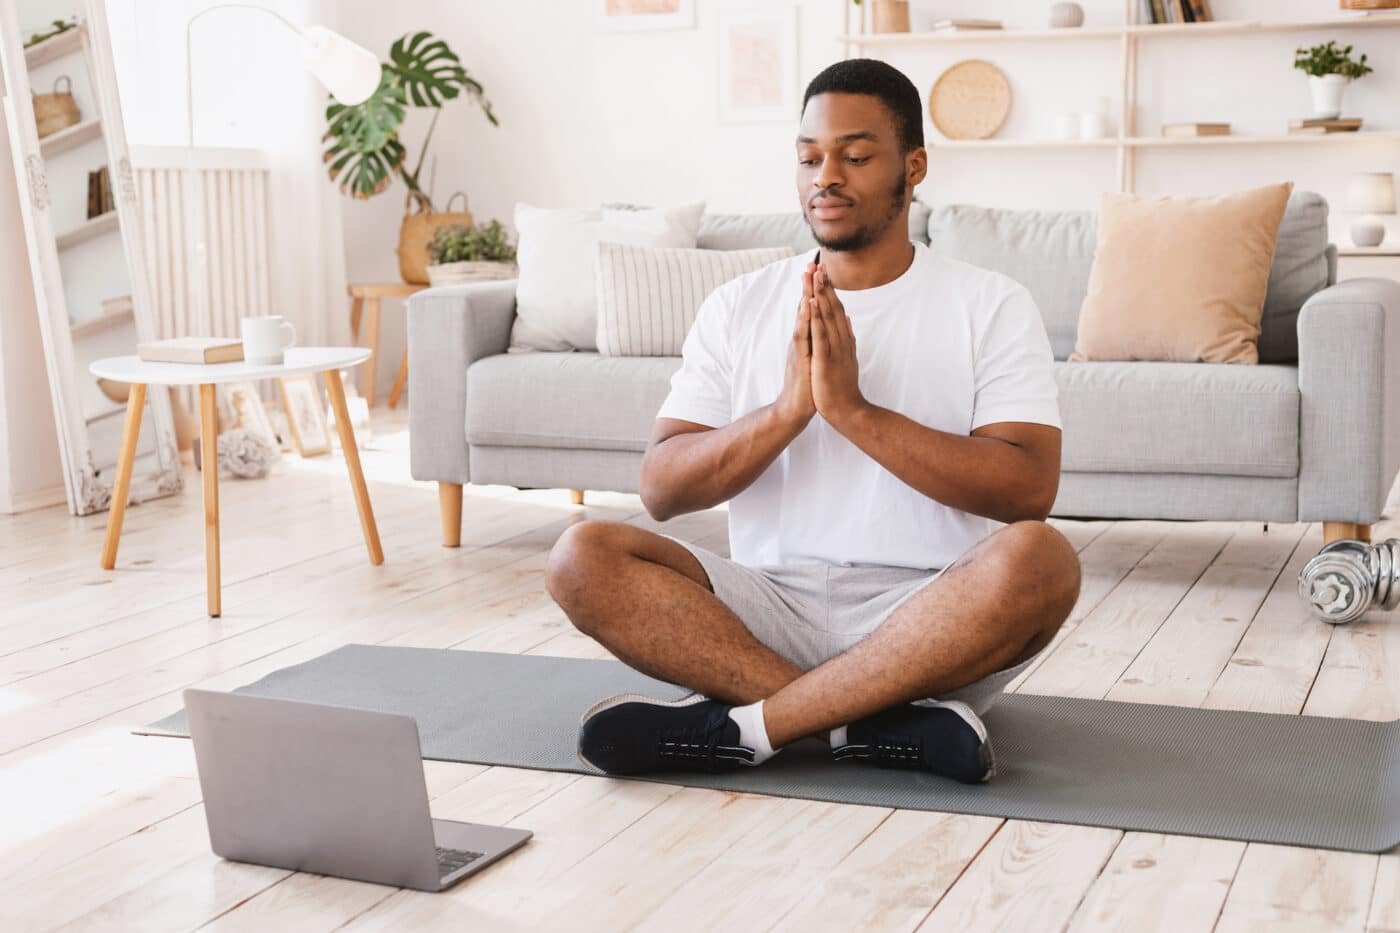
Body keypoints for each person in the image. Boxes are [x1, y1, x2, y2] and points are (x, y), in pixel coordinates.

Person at [545, 58, 1081, 784]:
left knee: (1042, 560)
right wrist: (789, 409)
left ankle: (752, 725)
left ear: (913, 166)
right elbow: (662, 487)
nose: (826, 175)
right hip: (763, 612)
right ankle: (869, 727)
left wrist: (854, 412)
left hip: (928, 623)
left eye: (856, 157)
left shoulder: (990, 302)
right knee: (579, 556)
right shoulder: (739, 305)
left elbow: (1027, 489)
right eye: (808, 158)